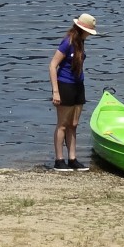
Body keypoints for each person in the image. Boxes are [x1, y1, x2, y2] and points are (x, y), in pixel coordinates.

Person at [48, 13, 97, 170]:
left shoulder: (81, 42)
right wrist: (55, 91)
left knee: (74, 124)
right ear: (82, 29)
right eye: (89, 31)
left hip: (78, 85)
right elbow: (52, 66)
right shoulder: (67, 42)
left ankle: (72, 158)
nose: (90, 34)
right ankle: (59, 159)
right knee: (62, 124)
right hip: (65, 85)